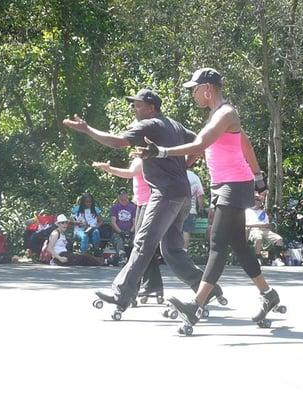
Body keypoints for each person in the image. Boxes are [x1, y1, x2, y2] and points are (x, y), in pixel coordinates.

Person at [135, 67, 280, 326]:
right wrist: (259, 178)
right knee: (239, 245)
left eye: (195, 89)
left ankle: (196, 304)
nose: (193, 95)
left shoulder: (225, 113)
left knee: (217, 243)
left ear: (208, 89)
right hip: (226, 184)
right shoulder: (218, 114)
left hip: (233, 185)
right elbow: (243, 143)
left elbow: (201, 144)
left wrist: (161, 152)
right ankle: (268, 294)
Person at [63, 88, 223, 311]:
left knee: (143, 242)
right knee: (172, 249)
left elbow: (118, 142)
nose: (134, 108)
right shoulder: (173, 125)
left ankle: (122, 294)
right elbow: (199, 142)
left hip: (165, 194)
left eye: (138, 105)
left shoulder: (150, 124)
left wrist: (87, 129)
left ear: (151, 108)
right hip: (182, 193)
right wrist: (186, 164)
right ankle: (207, 288)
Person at [93, 157, 165, 297]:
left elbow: (130, 173)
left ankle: (131, 288)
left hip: (148, 204)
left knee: (140, 246)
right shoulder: (144, 158)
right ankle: (152, 285)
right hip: (141, 203)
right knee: (143, 246)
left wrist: (109, 169)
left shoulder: (144, 160)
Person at [245, 192, 284, 266]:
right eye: (256, 200)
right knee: (258, 238)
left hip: (265, 230)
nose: (258, 202)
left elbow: (267, 224)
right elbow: (246, 224)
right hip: (254, 230)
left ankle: (277, 259)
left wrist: (263, 225)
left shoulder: (263, 212)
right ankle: (258, 257)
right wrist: (258, 225)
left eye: (259, 200)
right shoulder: (247, 211)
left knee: (279, 239)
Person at [110, 187, 137, 263]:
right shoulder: (114, 207)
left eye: (124, 193)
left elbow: (135, 221)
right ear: (118, 196)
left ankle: (136, 259)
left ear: (127, 195)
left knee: (136, 239)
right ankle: (122, 257)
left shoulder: (133, 207)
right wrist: (121, 232)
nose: (123, 195)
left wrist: (130, 231)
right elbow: (113, 222)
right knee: (118, 240)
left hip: (130, 231)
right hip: (118, 231)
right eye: (121, 194)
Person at [183, 169, 205, 249]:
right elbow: (200, 194)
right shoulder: (195, 177)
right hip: (190, 210)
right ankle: (184, 251)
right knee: (186, 231)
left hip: (176, 209)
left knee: (176, 231)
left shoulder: (177, 173)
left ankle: (175, 253)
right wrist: (201, 208)